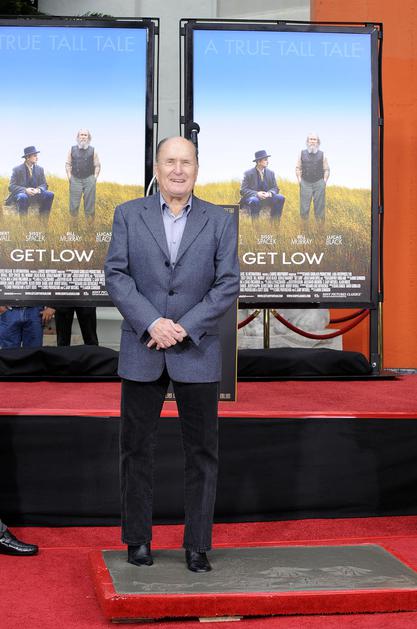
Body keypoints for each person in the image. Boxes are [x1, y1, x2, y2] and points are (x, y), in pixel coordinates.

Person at [104, 136, 240, 573]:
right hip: (142, 347)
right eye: (170, 162)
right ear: (156, 168)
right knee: (135, 450)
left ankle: (197, 544)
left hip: (196, 348)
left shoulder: (220, 220)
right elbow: (116, 275)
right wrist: (152, 322)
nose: (178, 170)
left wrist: (184, 326)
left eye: (186, 162)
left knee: (202, 452)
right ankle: (137, 540)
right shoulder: (128, 214)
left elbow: (228, 283)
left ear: (197, 168)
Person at [5, 146, 54, 220]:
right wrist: (25, 190)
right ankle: (24, 224)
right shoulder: (17, 169)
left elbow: (44, 185)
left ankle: (43, 222)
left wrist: (38, 190)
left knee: (50, 194)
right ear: (28, 157)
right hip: (22, 194)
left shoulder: (40, 169)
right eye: (35, 156)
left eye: (36, 156)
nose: (37, 158)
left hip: (36, 195)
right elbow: (11, 186)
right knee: (22, 196)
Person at [65, 129, 101, 223]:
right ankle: (73, 227)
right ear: (78, 137)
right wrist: (70, 177)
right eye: (81, 135)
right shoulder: (72, 149)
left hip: (89, 179)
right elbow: (68, 164)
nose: (83, 137)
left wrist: (94, 178)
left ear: (89, 137)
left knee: (90, 206)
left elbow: (97, 165)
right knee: (73, 206)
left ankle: (90, 227)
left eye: (85, 135)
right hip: (75, 179)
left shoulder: (93, 151)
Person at [240, 149, 285, 220]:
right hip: (253, 198)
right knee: (254, 200)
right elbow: (243, 190)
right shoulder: (248, 173)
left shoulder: (271, 173)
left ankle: (275, 223)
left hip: (267, 198)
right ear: (259, 162)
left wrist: (269, 193)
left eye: (267, 159)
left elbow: (275, 188)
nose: (268, 161)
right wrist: (257, 194)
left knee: (280, 197)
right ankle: (255, 224)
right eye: (265, 160)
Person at [296, 132, 330, 222]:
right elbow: (298, 168)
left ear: (318, 142)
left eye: (314, 139)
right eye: (310, 139)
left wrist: (324, 182)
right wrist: (300, 180)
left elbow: (326, 169)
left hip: (319, 183)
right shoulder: (301, 153)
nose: (312, 141)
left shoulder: (323, 154)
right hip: (305, 183)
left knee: (319, 208)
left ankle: (320, 228)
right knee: (304, 208)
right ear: (307, 141)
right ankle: (304, 228)